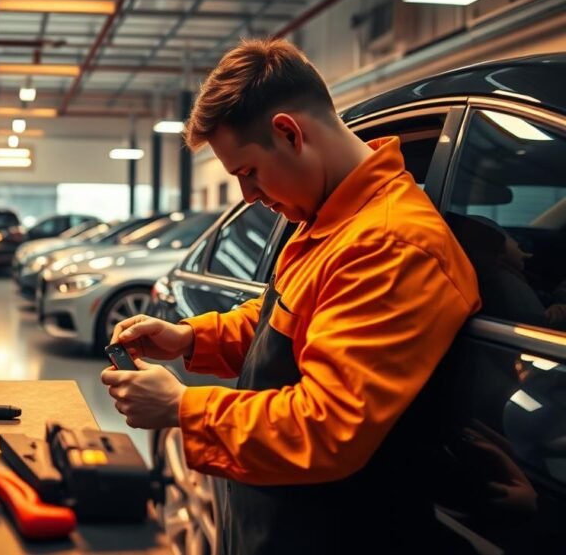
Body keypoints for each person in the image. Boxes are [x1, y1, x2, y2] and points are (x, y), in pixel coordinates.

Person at [101, 39, 481, 554]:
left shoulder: (390, 244)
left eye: (248, 172)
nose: (248, 197)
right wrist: (190, 338)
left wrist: (185, 408)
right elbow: (281, 321)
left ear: (288, 132)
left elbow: (327, 427)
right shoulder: (327, 220)